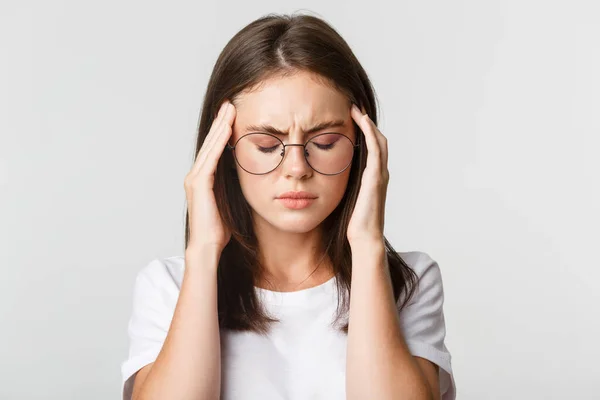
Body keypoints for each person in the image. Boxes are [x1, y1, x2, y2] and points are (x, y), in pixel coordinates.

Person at [121, 12, 456, 400]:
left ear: (364, 145)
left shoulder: (408, 282)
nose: (296, 168)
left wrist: (366, 244)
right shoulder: (169, 286)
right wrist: (204, 251)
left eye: (326, 142)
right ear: (223, 151)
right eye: (266, 145)